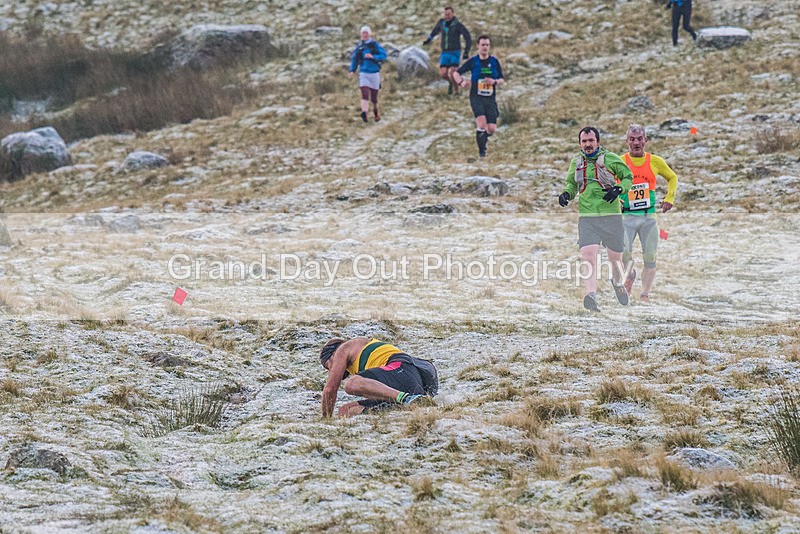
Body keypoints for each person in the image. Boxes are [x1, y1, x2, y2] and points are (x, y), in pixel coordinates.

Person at [558, 126, 634, 312]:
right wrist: (566, 194)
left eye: (591, 141)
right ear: (580, 144)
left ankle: (617, 282)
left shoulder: (611, 159)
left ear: (598, 142)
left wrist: (618, 189)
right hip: (587, 216)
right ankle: (590, 295)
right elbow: (571, 183)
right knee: (588, 255)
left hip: (611, 216)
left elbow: (628, 177)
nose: (588, 144)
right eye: (584, 141)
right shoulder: (577, 162)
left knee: (615, 261)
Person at [620, 124, 678, 302]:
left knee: (650, 257)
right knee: (624, 254)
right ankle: (629, 276)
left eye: (639, 139)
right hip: (626, 217)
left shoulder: (655, 161)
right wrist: (615, 199)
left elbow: (672, 177)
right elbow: (607, 182)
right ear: (627, 141)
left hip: (648, 217)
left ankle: (645, 294)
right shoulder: (620, 161)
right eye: (632, 139)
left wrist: (669, 198)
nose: (636, 142)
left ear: (645, 140)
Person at [320, 337, 434, 417]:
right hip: (409, 382)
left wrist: (326, 420)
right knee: (346, 411)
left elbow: (330, 389)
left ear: (332, 355)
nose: (331, 370)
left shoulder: (344, 348)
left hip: (403, 368)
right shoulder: (361, 356)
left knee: (351, 384)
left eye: (328, 366)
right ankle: (407, 406)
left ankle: (407, 399)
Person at [452, 35, 504, 158]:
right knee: (481, 124)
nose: (485, 47)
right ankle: (482, 153)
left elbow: (502, 79)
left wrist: (494, 82)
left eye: (487, 45)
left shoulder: (494, 61)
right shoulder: (474, 61)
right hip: (476, 96)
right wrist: (461, 82)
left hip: (490, 98)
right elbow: (456, 73)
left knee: (491, 128)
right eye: (483, 45)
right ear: (478, 46)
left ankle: (483, 139)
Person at [423, 6, 472, 95]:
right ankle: (450, 83)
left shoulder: (457, 25)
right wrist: (429, 39)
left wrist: (466, 51)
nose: (447, 16)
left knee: (453, 72)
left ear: (453, 14)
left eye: (449, 14)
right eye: (446, 14)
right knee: (443, 74)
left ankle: (456, 91)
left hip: (455, 52)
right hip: (445, 52)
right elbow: (435, 31)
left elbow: (467, 36)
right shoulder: (441, 23)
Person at [348, 26, 387, 123]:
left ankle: (376, 111)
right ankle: (364, 112)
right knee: (364, 93)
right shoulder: (359, 47)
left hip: (374, 73)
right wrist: (352, 70)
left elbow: (384, 56)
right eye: (363, 33)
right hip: (363, 73)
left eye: (366, 33)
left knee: (374, 97)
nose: (364, 35)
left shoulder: (374, 45)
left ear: (369, 34)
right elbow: (355, 59)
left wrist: (373, 56)